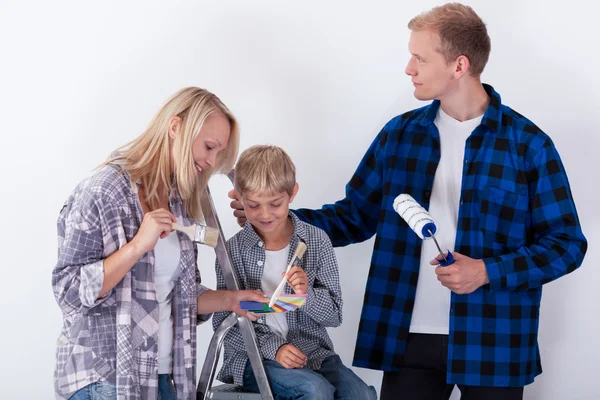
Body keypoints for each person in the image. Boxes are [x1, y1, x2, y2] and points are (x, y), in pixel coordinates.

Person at [229, 4, 588, 400]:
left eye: (420, 57)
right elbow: (353, 217)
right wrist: (275, 217)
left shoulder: (528, 145)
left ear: (459, 65)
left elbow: (566, 244)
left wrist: (487, 271)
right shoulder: (399, 137)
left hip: (495, 337)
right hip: (408, 335)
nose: (408, 68)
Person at [52, 87, 267, 400]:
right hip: (106, 381)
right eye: (209, 147)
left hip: (164, 379)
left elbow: (182, 296)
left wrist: (231, 300)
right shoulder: (104, 191)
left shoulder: (178, 202)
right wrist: (138, 245)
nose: (210, 161)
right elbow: (68, 292)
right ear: (176, 128)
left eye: (218, 154)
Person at [214, 145, 377, 399]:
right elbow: (224, 322)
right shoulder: (232, 251)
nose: (265, 214)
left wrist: (306, 294)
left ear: (293, 193)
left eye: (275, 203)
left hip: (314, 354)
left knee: (361, 394)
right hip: (254, 358)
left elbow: (334, 316)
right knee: (314, 390)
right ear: (240, 197)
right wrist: (275, 348)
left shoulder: (317, 241)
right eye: (254, 205)